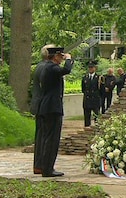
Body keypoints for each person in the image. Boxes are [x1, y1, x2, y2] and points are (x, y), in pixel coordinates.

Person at [37, 47, 74, 177]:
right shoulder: (51, 68)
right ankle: (48, 169)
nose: (61, 58)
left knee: (49, 139)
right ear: (55, 56)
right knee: (51, 140)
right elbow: (67, 70)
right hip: (52, 108)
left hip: (48, 107)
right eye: (60, 56)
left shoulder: (47, 67)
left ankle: (46, 167)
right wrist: (69, 59)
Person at [30, 44, 55, 175]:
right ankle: (46, 166)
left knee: (40, 137)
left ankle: (38, 165)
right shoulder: (48, 67)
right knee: (47, 137)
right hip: (47, 106)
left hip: (38, 104)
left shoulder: (39, 66)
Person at [82, 60, 104, 127]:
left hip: (95, 100)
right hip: (87, 99)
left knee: (96, 116)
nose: (90, 69)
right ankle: (87, 129)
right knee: (87, 117)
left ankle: (97, 129)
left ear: (95, 68)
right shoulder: (85, 78)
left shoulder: (99, 78)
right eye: (89, 67)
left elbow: (102, 90)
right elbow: (83, 89)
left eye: (92, 67)